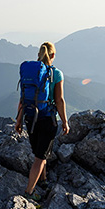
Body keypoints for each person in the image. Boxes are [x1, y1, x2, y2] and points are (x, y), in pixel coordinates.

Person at [14, 41, 69, 197]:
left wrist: (18, 120)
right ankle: (29, 192)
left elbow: (22, 99)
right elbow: (59, 100)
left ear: (39, 54)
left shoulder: (30, 73)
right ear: (52, 55)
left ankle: (43, 180)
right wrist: (65, 121)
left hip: (30, 118)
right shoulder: (56, 73)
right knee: (40, 157)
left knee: (40, 152)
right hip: (47, 118)